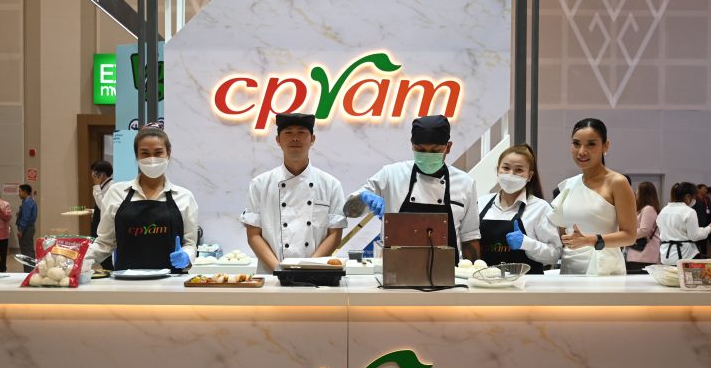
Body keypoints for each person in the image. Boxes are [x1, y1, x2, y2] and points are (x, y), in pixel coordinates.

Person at [344, 114, 481, 263]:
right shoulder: (391, 175)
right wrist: (363, 198)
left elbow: (470, 237)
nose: (427, 155)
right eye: (420, 149)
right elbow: (349, 211)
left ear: (448, 147)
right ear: (411, 145)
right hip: (394, 269)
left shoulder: (465, 183)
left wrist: (473, 272)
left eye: (435, 151)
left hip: (448, 271)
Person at [240, 113, 347, 274]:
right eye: (288, 132)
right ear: (278, 140)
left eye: (302, 132)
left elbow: (335, 235)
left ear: (312, 139)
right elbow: (253, 235)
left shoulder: (331, 185)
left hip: (316, 276)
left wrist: (308, 269)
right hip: (272, 277)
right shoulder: (260, 184)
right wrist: (279, 270)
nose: (295, 138)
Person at [86, 126, 199, 272]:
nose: (152, 159)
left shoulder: (184, 197)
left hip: (171, 282)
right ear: (137, 156)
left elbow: (190, 244)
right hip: (126, 282)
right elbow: (104, 243)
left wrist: (186, 257)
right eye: (145, 153)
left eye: (158, 153)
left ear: (168, 154)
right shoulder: (116, 193)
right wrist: (77, 259)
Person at [548, 118, 637, 275]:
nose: (582, 151)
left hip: (604, 269)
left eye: (591, 144)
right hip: (570, 267)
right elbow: (564, 231)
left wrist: (590, 240)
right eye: (576, 143)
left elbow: (629, 236)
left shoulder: (617, 182)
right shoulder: (569, 184)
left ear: (605, 146)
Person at [477, 144, 560, 274]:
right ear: (498, 170)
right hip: (485, 281)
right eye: (506, 168)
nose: (511, 174)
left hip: (526, 283)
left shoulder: (540, 208)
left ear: (530, 176)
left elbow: (554, 255)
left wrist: (527, 243)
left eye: (518, 170)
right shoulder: (481, 203)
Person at [657, 182, 711, 265]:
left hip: (666, 256)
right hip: (685, 256)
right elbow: (694, 236)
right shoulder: (689, 211)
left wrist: (703, 229)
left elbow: (679, 231)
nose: (694, 200)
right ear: (688, 197)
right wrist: (708, 229)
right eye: (694, 197)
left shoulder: (663, 210)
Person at [625, 181, 661, 272]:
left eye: (638, 191)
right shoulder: (642, 209)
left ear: (644, 194)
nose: (636, 193)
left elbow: (644, 230)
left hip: (644, 255)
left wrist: (627, 236)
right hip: (637, 254)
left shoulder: (648, 209)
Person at [90, 160, 114, 270]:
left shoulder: (111, 186)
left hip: (105, 226)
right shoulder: (104, 186)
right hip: (99, 222)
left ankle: (110, 273)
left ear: (102, 174)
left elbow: (103, 206)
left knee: (105, 257)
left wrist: (96, 186)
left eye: (95, 173)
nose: (92, 176)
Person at [15, 184, 37, 272]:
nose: (19, 193)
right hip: (29, 228)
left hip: (26, 229)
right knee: (29, 250)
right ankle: (31, 270)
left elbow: (26, 218)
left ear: (24, 192)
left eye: (20, 191)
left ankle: (28, 272)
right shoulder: (30, 201)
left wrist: (20, 230)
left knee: (26, 252)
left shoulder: (27, 202)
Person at [693, 184, 711, 256]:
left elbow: (710, 210)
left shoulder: (707, 199)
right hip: (698, 224)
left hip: (708, 223)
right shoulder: (694, 199)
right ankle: (700, 255)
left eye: (706, 189)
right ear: (698, 189)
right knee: (700, 241)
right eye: (704, 188)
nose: (706, 190)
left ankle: (704, 255)